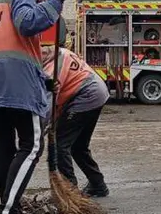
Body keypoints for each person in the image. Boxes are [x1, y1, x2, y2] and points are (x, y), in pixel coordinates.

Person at [0, 0, 68, 214]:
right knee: (31, 145)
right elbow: (28, 23)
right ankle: (8, 208)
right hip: (15, 82)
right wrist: (55, 0)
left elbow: (10, 45)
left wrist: (42, 80)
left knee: (3, 147)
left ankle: (8, 205)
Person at [41, 45, 110, 197]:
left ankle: (70, 191)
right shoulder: (62, 53)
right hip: (97, 93)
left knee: (61, 144)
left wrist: (36, 133)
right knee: (79, 146)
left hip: (86, 96)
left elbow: (48, 104)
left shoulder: (52, 68)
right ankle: (98, 184)